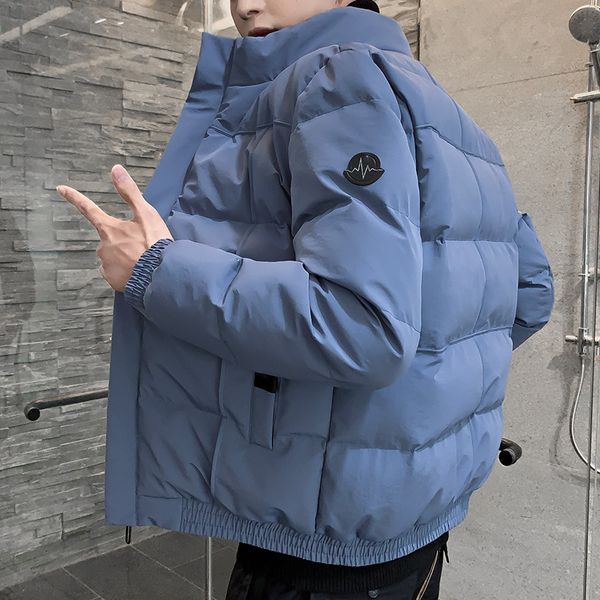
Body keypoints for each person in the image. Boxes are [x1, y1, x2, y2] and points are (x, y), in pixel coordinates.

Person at [57, 0, 554, 598]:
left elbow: (362, 328)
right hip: (411, 516)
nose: (245, 4)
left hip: (323, 531)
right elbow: (528, 293)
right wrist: (419, 400)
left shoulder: (337, 79)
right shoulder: (449, 115)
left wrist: (155, 270)